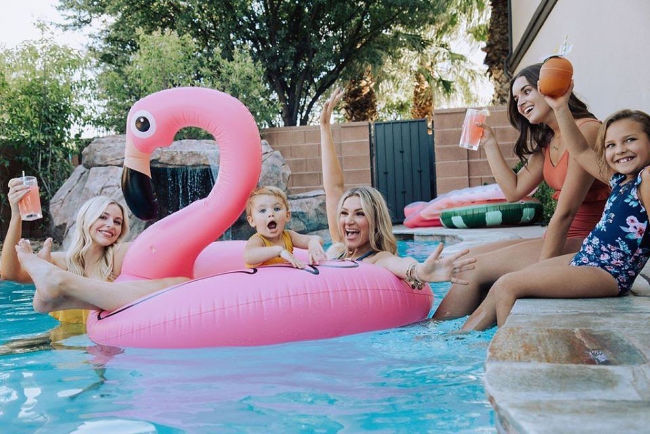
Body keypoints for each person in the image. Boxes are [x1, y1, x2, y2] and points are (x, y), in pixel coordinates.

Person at [433, 62, 610, 320]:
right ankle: (452, 332)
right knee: (466, 257)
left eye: (527, 91)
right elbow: (513, 191)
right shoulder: (549, 141)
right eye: (516, 98)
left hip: (587, 242)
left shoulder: (587, 130)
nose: (520, 102)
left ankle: (437, 336)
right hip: (559, 238)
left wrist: (541, 272)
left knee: (469, 269)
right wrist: (490, 144)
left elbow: (565, 213)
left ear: (549, 88)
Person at [461, 98, 650, 330]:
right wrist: (560, 106)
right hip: (587, 260)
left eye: (630, 140)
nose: (620, 150)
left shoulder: (647, 178)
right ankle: (460, 338)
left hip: (608, 273)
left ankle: (506, 355)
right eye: (610, 145)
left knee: (508, 285)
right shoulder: (619, 179)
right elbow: (580, 150)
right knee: (506, 281)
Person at [320, 88, 475, 287]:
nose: (348, 221)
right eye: (344, 213)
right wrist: (324, 127)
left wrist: (419, 271)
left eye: (359, 214)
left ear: (375, 221)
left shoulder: (378, 259)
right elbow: (333, 189)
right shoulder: (339, 247)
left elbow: (403, 264)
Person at [0, 185, 132, 323]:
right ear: (86, 220)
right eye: (103, 217)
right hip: (63, 341)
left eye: (118, 222)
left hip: (104, 340)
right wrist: (16, 215)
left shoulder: (119, 258)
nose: (111, 225)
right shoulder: (60, 262)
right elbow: (9, 274)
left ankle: (38, 272)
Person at [244, 185, 327, 268]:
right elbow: (249, 257)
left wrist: (313, 243)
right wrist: (279, 251)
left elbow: (315, 238)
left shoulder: (289, 236)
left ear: (287, 215)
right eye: (262, 210)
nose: (271, 214)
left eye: (276, 209)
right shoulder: (257, 240)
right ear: (252, 221)